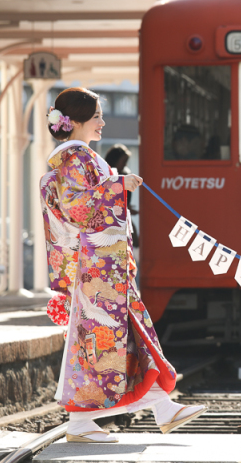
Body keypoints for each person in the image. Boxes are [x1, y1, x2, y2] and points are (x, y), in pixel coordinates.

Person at [40, 88, 205, 443]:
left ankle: (162, 407)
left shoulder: (81, 157)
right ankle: (84, 422)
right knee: (106, 343)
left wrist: (116, 184)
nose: (102, 122)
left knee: (126, 338)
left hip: (105, 267)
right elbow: (77, 207)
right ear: (79, 121)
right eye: (97, 116)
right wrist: (118, 184)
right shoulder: (75, 157)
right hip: (99, 269)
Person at [105, 144, 139, 247]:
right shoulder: (105, 175)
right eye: (123, 162)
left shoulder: (126, 174)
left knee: (134, 240)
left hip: (124, 215)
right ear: (115, 160)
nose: (125, 165)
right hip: (109, 217)